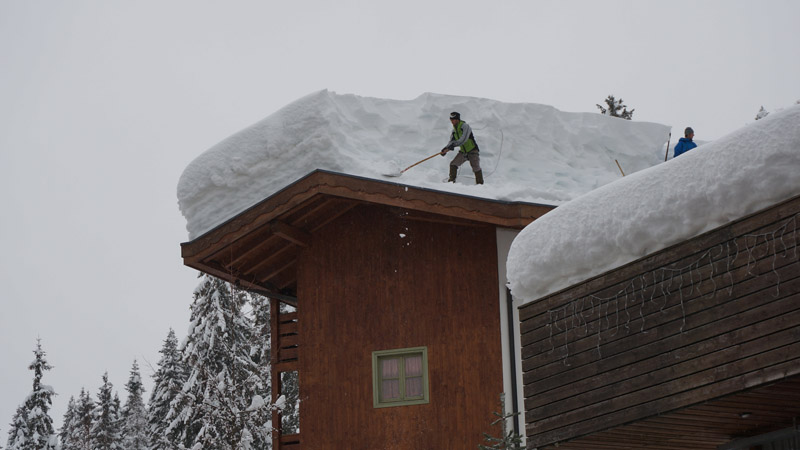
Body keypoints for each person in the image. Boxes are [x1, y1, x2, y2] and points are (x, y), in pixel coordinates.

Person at [440, 112, 484, 184]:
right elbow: (451, 141)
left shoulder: (465, 126)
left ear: (458, 120)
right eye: (451, 120)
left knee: (476, 168)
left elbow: (463, 140)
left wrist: (452, 146)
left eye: (453, 119)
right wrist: (445, 149)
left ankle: (480, 185)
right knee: (453, 164)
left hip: (473, 151)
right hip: (463, 152)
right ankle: (451, 182)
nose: (452, 121)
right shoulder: (454, 131)